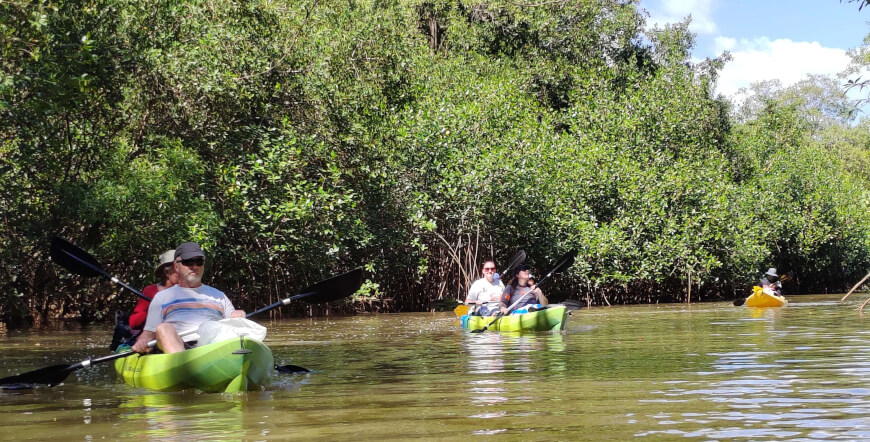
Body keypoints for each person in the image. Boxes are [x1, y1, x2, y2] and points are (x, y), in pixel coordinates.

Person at [131, 242, 246, 354]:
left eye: (199, 262)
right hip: (179, 346)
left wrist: (237, 315)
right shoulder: (161, 298)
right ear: (176, 266)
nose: (194, 266)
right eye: (188, 262)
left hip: (214, 346)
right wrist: (142, 341)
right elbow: (148, 334)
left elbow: (235, 327)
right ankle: (184, 362)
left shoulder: (220, 296)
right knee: (164, 328)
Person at [128, 249, 178, 331]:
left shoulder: (190, 290)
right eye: (177, 268)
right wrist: (152, 308)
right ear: (166, 272)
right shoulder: (151, 291)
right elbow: (134, 323)